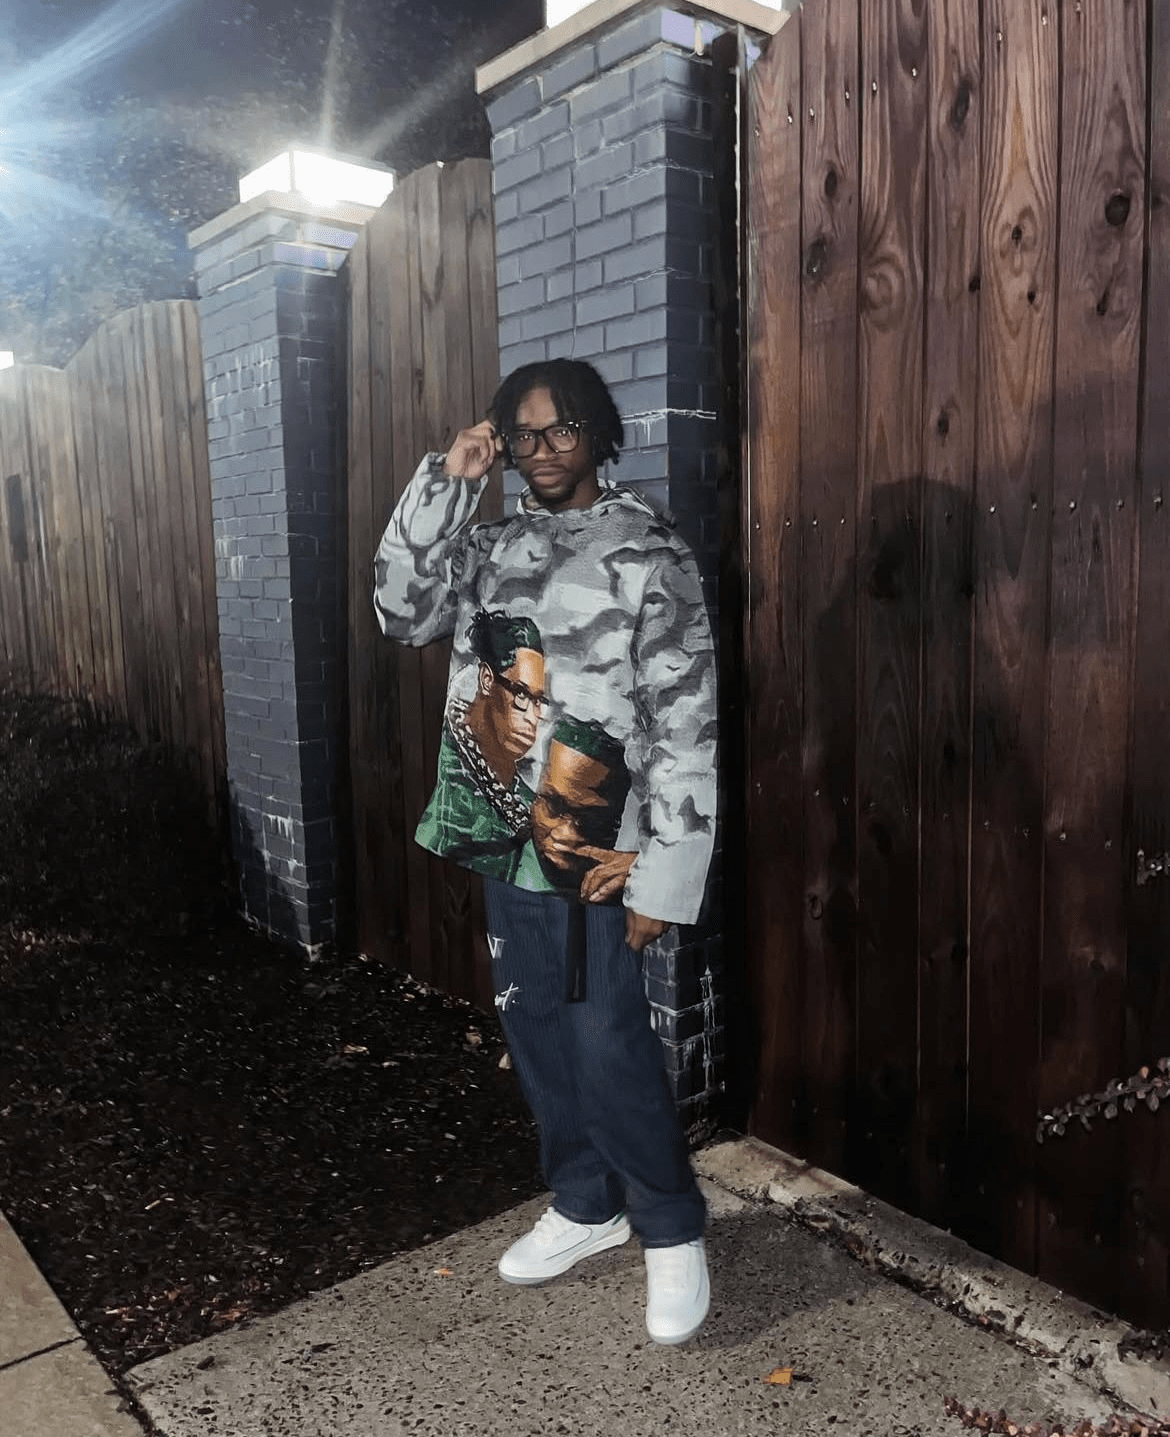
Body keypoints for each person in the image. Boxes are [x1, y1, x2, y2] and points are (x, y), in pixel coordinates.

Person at [373, 358, 717, 1345]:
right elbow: (401, 611)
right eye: (522, 435)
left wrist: (665, 871)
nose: (542, 449)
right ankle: (584, 1200)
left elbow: (686, 723)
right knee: (533, 1024)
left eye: (562, 429)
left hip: (603, 845)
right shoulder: (489, 545)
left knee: (607, 1034)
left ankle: (670, 1226)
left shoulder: (651, 553)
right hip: (502, 830)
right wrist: (448, 483)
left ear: (598, 434)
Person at [415, 609, 546, 880]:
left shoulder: (525, 799)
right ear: (487, 679)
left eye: (538, 701)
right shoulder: (455, 784)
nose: (532, 717)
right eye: (521, 693)